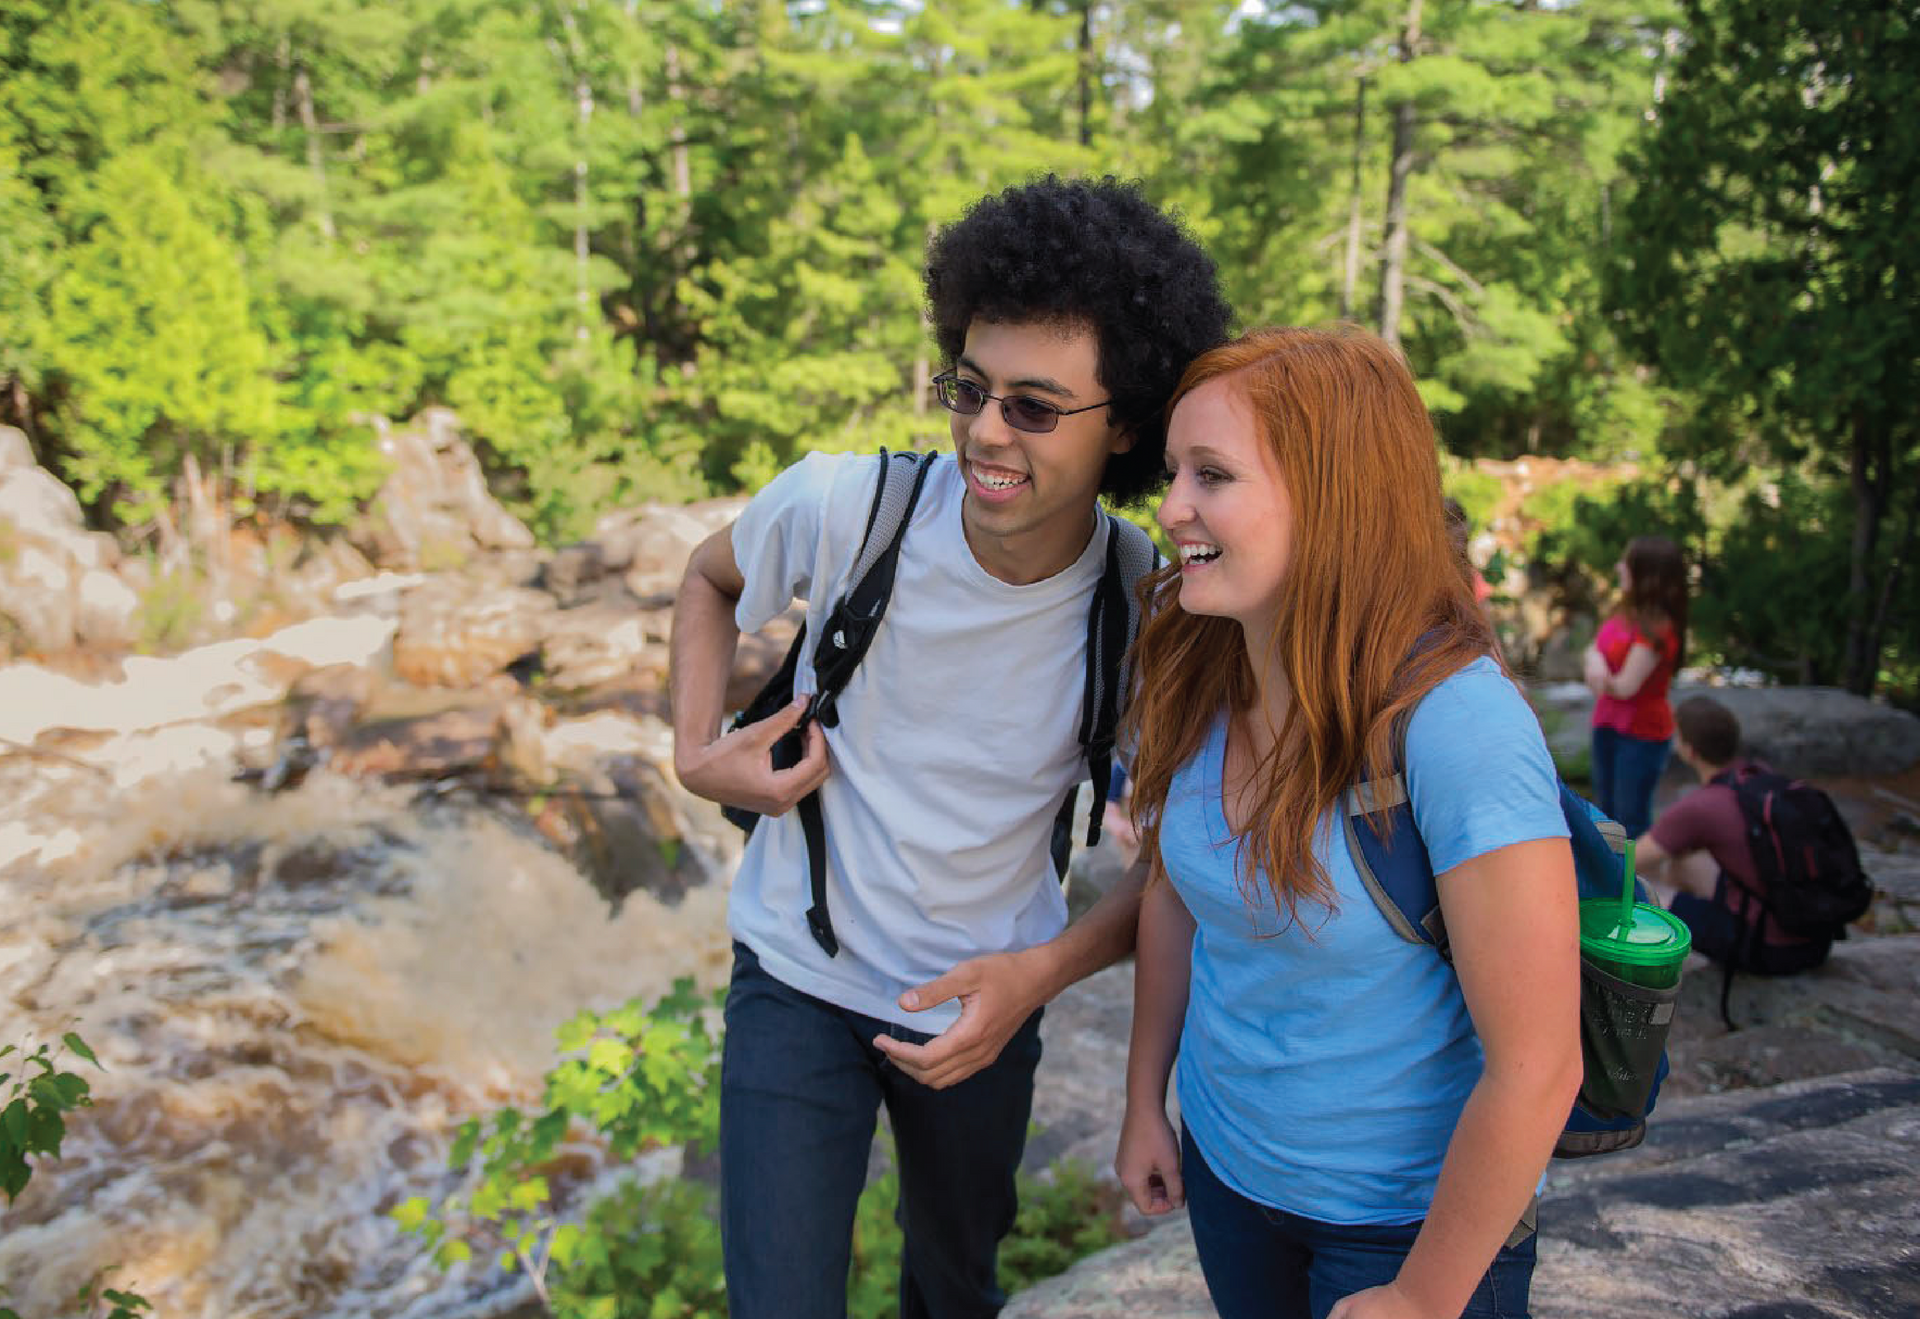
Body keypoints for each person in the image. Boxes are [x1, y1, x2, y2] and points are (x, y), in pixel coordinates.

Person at [668, 176, 1229, 1319]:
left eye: (1033, 406)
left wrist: (1041, 975)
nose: (983, 431)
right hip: (796, 972)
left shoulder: (1143, 606)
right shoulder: (845, 505)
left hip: (989, 997)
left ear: (1123, 425)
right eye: (967, 388)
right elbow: (708, 575)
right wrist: (693, 750)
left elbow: (1179, 864)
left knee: (954, 1289)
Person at [1115, 326, 1583, 1319]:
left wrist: (1421, 1295)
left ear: (1334, 495)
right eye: (1173, 471)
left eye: (1213, 474)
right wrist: (1144, 1097)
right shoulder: (1205, 660)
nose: (1172, 506)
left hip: (1408, 1224)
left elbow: (1539, 1064)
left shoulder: (1462, 727)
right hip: (1233, 1178)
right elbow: (1173, 894)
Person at [1636, 695, 1832, 976]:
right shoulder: (1762, 779)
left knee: (1640, 895)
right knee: (1683, 864)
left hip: (1770, 948)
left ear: (1689, 751)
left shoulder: (1702, 806)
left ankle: (1650, 977)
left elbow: (1629, 860)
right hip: (1815, 938)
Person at [1582, 535, 1689, 838]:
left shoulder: (1657, 628)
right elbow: (1594, 650)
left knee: (1630, 820)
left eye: (1626, 564)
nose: (1618, 568)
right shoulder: (1624, 613)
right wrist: (1597, 665)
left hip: (1640, 734)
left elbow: (1625, 686)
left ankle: (1633, 883)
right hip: (1608, 723)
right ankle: (1613, 882)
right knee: (1605, 816)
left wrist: (1597, 667)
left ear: (1646, 575)